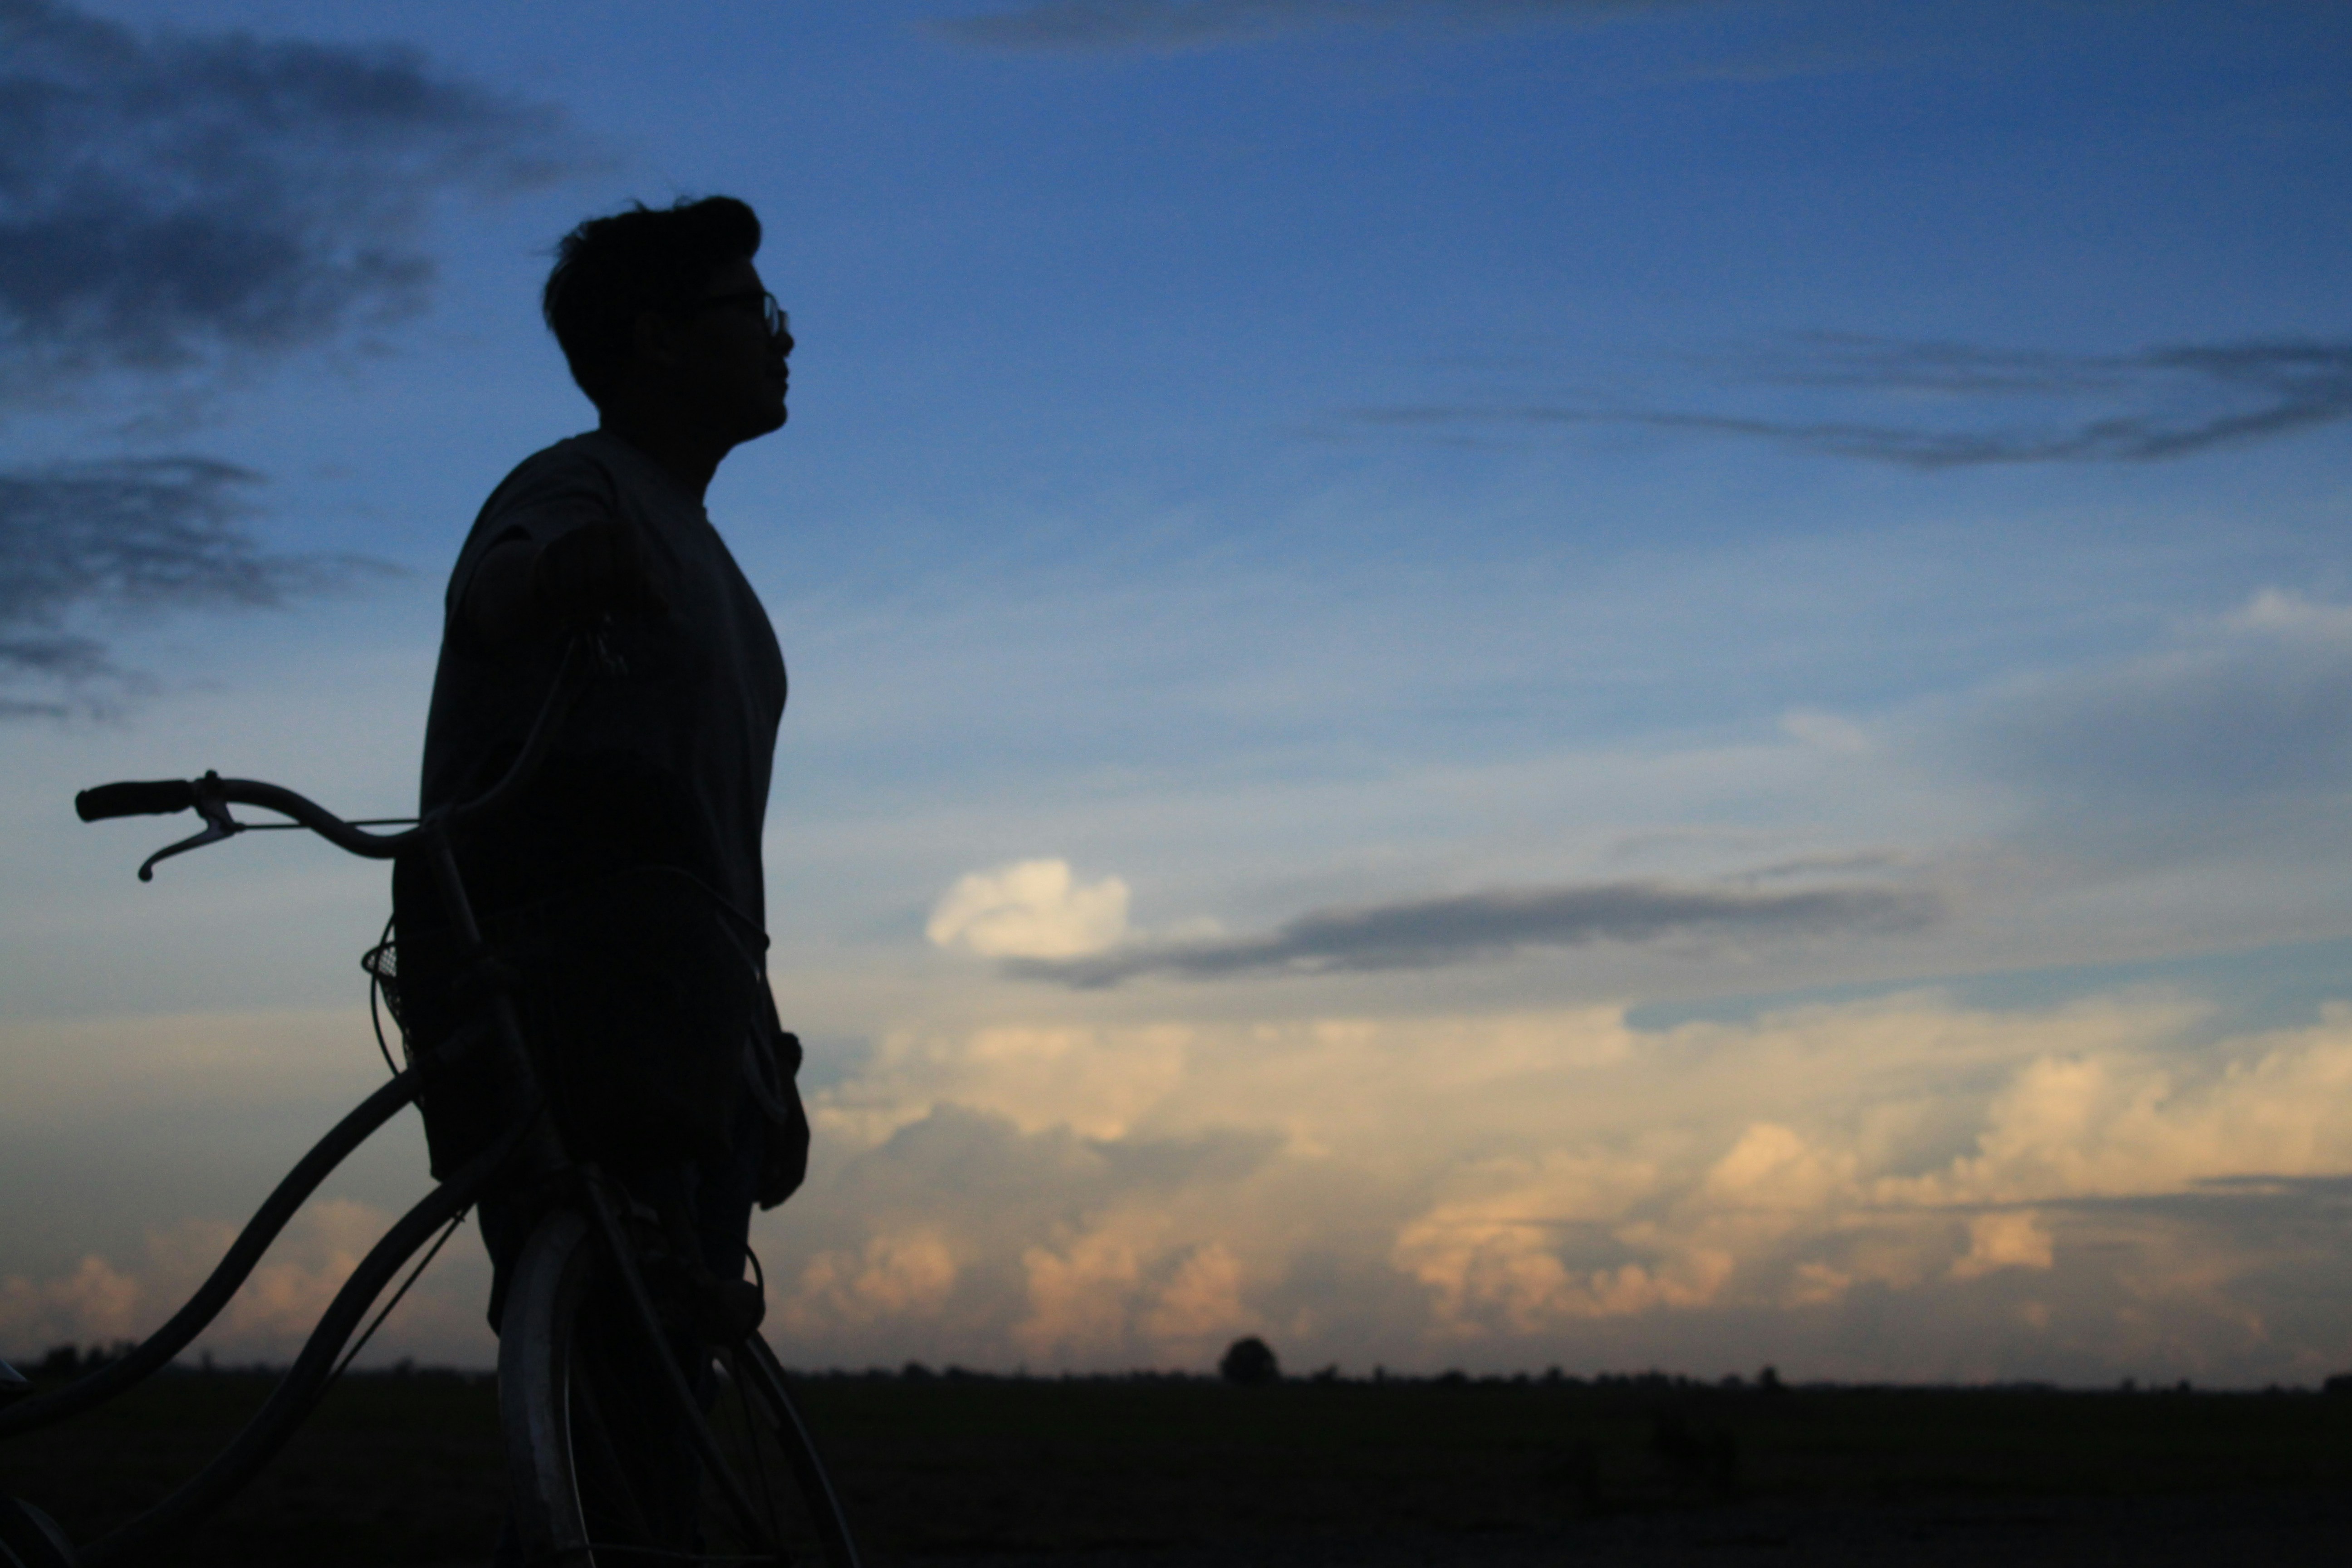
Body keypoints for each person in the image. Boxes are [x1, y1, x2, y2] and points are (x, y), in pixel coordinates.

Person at [391, 194, 806, 1559]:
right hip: (580, 1019)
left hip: (685, 1025)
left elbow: (703, 842)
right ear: (660, 342)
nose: (782, 333)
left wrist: (757, 1046)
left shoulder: (710, 562)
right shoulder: (577, 487)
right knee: (614, 1419)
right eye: (749, 307)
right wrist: (564, 576)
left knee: (652, 1424)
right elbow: (497, 587)